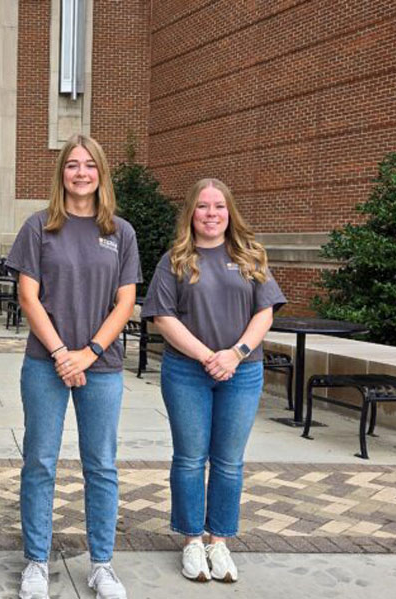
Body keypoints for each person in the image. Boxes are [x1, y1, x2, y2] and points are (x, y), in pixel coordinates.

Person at [7, 134, 140, 599]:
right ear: (60, 173)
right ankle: (36, 562)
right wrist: (63, 353)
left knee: (101, 465)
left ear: (101, 174)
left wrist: (90, 352)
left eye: (89, 165)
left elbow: (126, 301)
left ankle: (102, 564)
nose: (81, 173)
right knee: (40, 462)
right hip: (46, 364)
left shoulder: (120, 232)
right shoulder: (39, 226)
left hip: (101, 367)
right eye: (72, 165)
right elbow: (28, 295)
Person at [140, 178, 285, 584]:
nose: (211, 214)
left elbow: (265, 312)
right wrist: (208, 356)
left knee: (228, 461)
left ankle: (218, 541)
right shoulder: (175, 260)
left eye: (218, 207)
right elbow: (162, 317)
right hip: (188, 372)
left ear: (229, 212)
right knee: (189, 458)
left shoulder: (250, 255)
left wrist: (234, 354)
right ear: (191, 213)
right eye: (202, 207)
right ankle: (191, 542)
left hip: (241, 372)